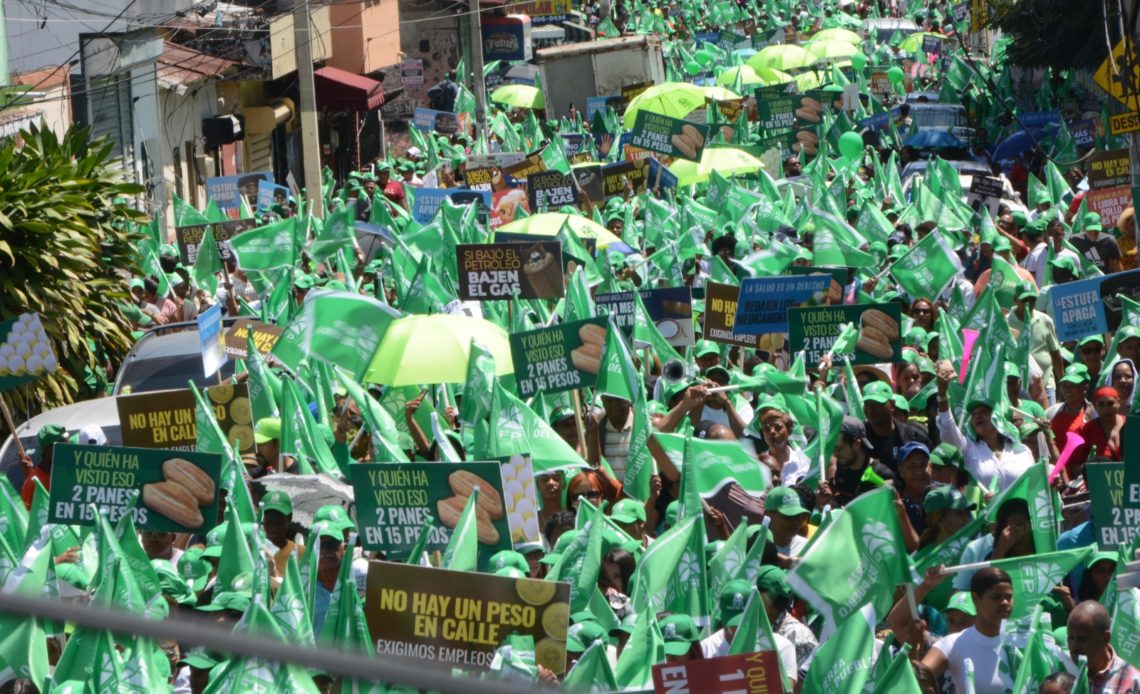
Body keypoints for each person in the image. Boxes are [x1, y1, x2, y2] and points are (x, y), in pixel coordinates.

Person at [935, 361, 1035, 491]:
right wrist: (942, 394)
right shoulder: (967, 449)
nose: (977, 416)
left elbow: (1035, 484)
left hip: (1018, 510)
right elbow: (948, 427)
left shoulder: (1022, 451)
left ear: (997, 417)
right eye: (974, 414)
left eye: (984, 412)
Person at [921, 568, 1015, 694]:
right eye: (996, 597)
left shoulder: (1025, 641)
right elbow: (915, 679)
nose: (1005, 603)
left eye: (1008, 597)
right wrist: (925, 586)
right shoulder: (952, 644)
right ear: (976, 599)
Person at [1067, 601, 1140, 692]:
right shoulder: (1060, 669)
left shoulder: (1132, 682)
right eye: (1070, 638)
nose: (1074, 646)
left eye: (1082, 639)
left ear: (1105, 638)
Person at [862, 380, 930, 471]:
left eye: (877, 404)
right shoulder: (859, 438)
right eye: (867, 404)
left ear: (892, 404)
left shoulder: (914, 436)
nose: (871, 409)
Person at [18, 424, 67, 508]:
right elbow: (28, 518)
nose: (68, 452)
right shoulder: (33, 484)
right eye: (64, 447)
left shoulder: (69, 475)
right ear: (48, 450)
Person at [260, 490, 304, 577]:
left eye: (278, 523)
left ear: (289, 518)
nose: (272, 528)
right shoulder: (255, 550)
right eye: (268, 523)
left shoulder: (301, 553)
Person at [764, 486, 810, 559]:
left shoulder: (807, 548)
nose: (796, 522)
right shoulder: (754, 546)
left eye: (799, 516)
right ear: (768, 515)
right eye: (788, 516)